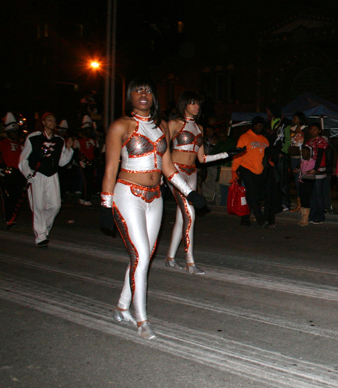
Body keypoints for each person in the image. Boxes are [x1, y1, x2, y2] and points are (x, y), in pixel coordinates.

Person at [99, 79, 207, 340]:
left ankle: (122, 307)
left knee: (143, 256)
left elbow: (168, 167)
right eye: (138, 90)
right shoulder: (120, 126)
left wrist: (189, 192)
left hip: (155, 198)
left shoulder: (159, 127)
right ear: (130, 97)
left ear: (154, 97)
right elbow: (111, 168)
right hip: (127, 195)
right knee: (141, 255)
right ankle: (141, 321)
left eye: (148, 90)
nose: (143, 94)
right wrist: (106, 204)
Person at [166, 91, 245, 274]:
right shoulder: (174, 124)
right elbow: (161, 150)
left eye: (198, 104)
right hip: (176, 173)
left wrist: (227, 154)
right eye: (193, 103)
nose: (196, 106)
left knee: (183, 216)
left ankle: (170, 258)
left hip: (192, 173)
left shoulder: (199, 128)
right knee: (190, 214)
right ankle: (190, 262)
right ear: (184, 104)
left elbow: (201, 158)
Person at [18, 112, 74, 247]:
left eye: (54, 120)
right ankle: (40, 236)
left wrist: (69, 148)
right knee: (38, 206)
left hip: (52, 176)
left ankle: (45, 229)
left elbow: (61, 162)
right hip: (37, 175)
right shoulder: (33, 138)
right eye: (49, 120)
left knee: (55, 206)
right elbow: (23, 159)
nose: (52, 122)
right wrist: (28, 174)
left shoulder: (59, 140)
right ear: (43, 122)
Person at [231, 116, 273, 227]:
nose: (259, 127)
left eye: (261, 125)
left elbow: (267, 155)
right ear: (253, 126)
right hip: (247, 169)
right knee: (253, 195)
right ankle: (261, 219)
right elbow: (238, 154)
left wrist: (270, 162)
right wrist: (234, 170)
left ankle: (245, 218)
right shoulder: (244, 137)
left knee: (255, 196)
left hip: (260, 171)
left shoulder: (264, 139)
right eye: (257, 125)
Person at [0, 112, 26, 225]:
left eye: (16, 131)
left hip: (18, 173)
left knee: (17, 196)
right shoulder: (2, 143)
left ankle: (12, 216)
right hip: (6, 173)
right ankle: (8, 217)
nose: (16, 134)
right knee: (7, 196)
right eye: (13, 132)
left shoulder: (20, 145)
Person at [304, 123, 329, 225]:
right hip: (310, 169)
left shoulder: (321, 141)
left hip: (319, 170)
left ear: (319, 130)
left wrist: (315, 168)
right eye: (311, 129)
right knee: (312, 194)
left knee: (318, 194)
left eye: (315, 129)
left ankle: (320, 216)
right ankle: (312, 215)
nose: (312, 131)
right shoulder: (309, 141)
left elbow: (320, 156)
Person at [285, 111, 307, 212]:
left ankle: (301, 204)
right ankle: (299, 203)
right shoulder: (292, 129)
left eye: (294, 118)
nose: (293, 120)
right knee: (296, 180)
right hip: (293, 157)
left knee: (300, 181)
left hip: (301, 157)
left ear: (299, 119)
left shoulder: (305, 130)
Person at [75, 115, 99, 206]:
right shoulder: (79, 141)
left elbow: (97, 154)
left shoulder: (94, 141)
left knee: (90, 181)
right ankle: (86, 198)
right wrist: (80, 161)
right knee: (86, 181)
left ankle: (83, 197)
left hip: (91, 163)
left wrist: (96, 147)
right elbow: (77, 152)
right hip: (83, 163)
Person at [295, 145, 315, 226]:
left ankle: (305, 219)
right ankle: (303, 217)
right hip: (302, 180)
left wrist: (313, 171)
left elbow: (318, 170)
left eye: (306, 152)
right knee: (302, 198)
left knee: (307, 199)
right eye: (303, 152)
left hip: (309, 181)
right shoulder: (302, 161)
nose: (304, 154)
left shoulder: (313, 161)